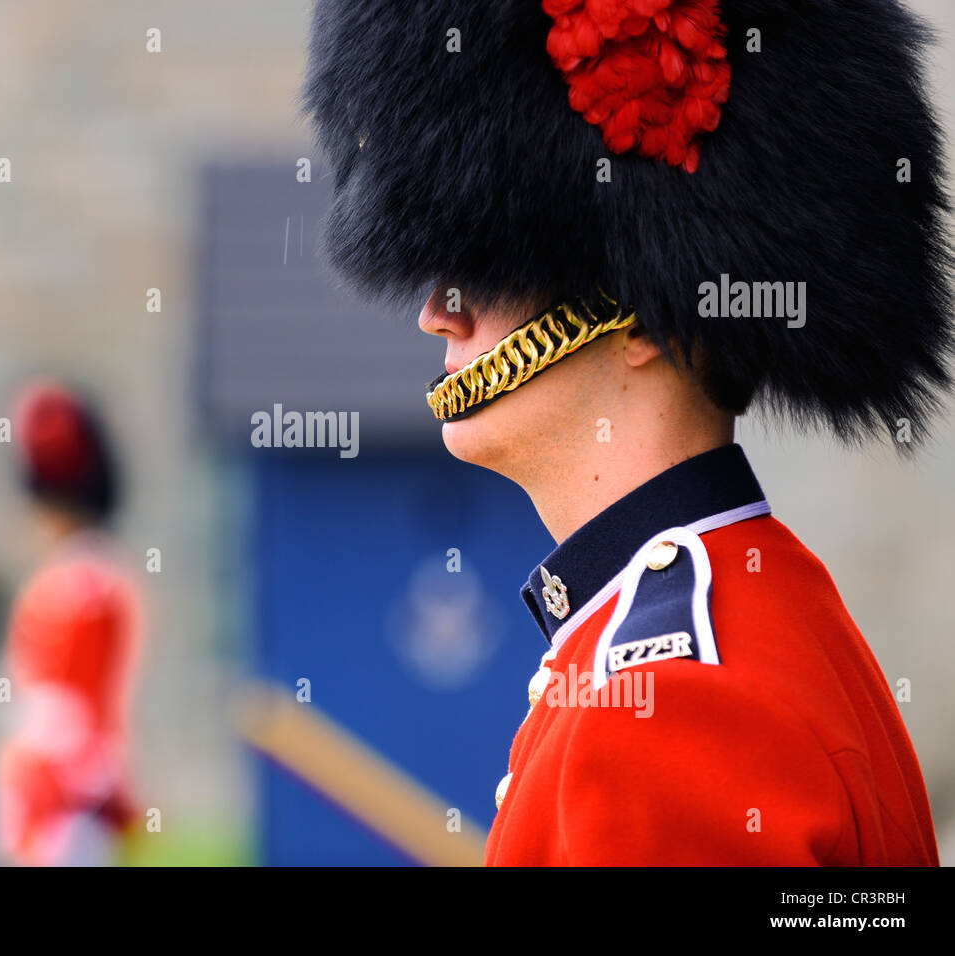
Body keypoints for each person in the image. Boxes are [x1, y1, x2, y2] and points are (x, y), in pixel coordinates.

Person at [302, 0, 949, 864]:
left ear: (644, 314)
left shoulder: (670, 704)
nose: (436, 313)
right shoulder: (740, 624)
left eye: (487, 262)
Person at [0, 380, 144, 866]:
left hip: (66, 806)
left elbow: (67, 714)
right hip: (65, 797)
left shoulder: (82, 587)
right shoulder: (91, 577)